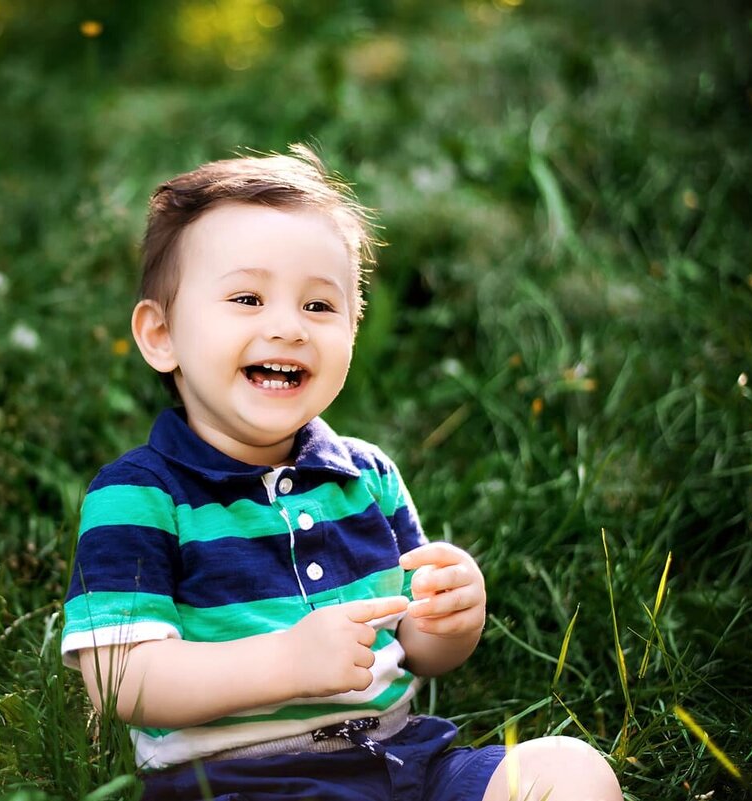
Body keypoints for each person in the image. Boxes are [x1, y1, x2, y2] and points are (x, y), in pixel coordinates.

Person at [60, 146, 623, 801]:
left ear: (354, 329)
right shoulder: (138, 496)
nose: (288, 327)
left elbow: (413, 647)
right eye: (247, 296)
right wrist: (287, 661)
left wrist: (449, 624)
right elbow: (120, 680)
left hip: (403, 762)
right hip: (237, 781)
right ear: (161, 335)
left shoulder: (366, 475)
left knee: (572, 770)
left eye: (319, 306)